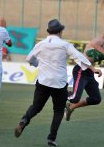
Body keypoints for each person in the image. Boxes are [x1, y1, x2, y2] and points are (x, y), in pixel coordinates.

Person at [14, 19, 102, 147]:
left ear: (49, 31)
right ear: (60, 31)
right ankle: (51, 139)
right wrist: (93, 68)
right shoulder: (65, 45)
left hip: (43, 82)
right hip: (59, 84)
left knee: (36, 107)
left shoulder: (41, 44)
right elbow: (80, 58)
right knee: (58, 111)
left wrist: (37, 64)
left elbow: (29, 58)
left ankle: (24, 121)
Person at [65, 34, 104, 121]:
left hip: (90, 72)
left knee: (96, 99)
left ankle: (71, 107)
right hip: (81, 70)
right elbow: (85, 56)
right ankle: (58, 90)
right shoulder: (98, 40)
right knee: (74, 98)